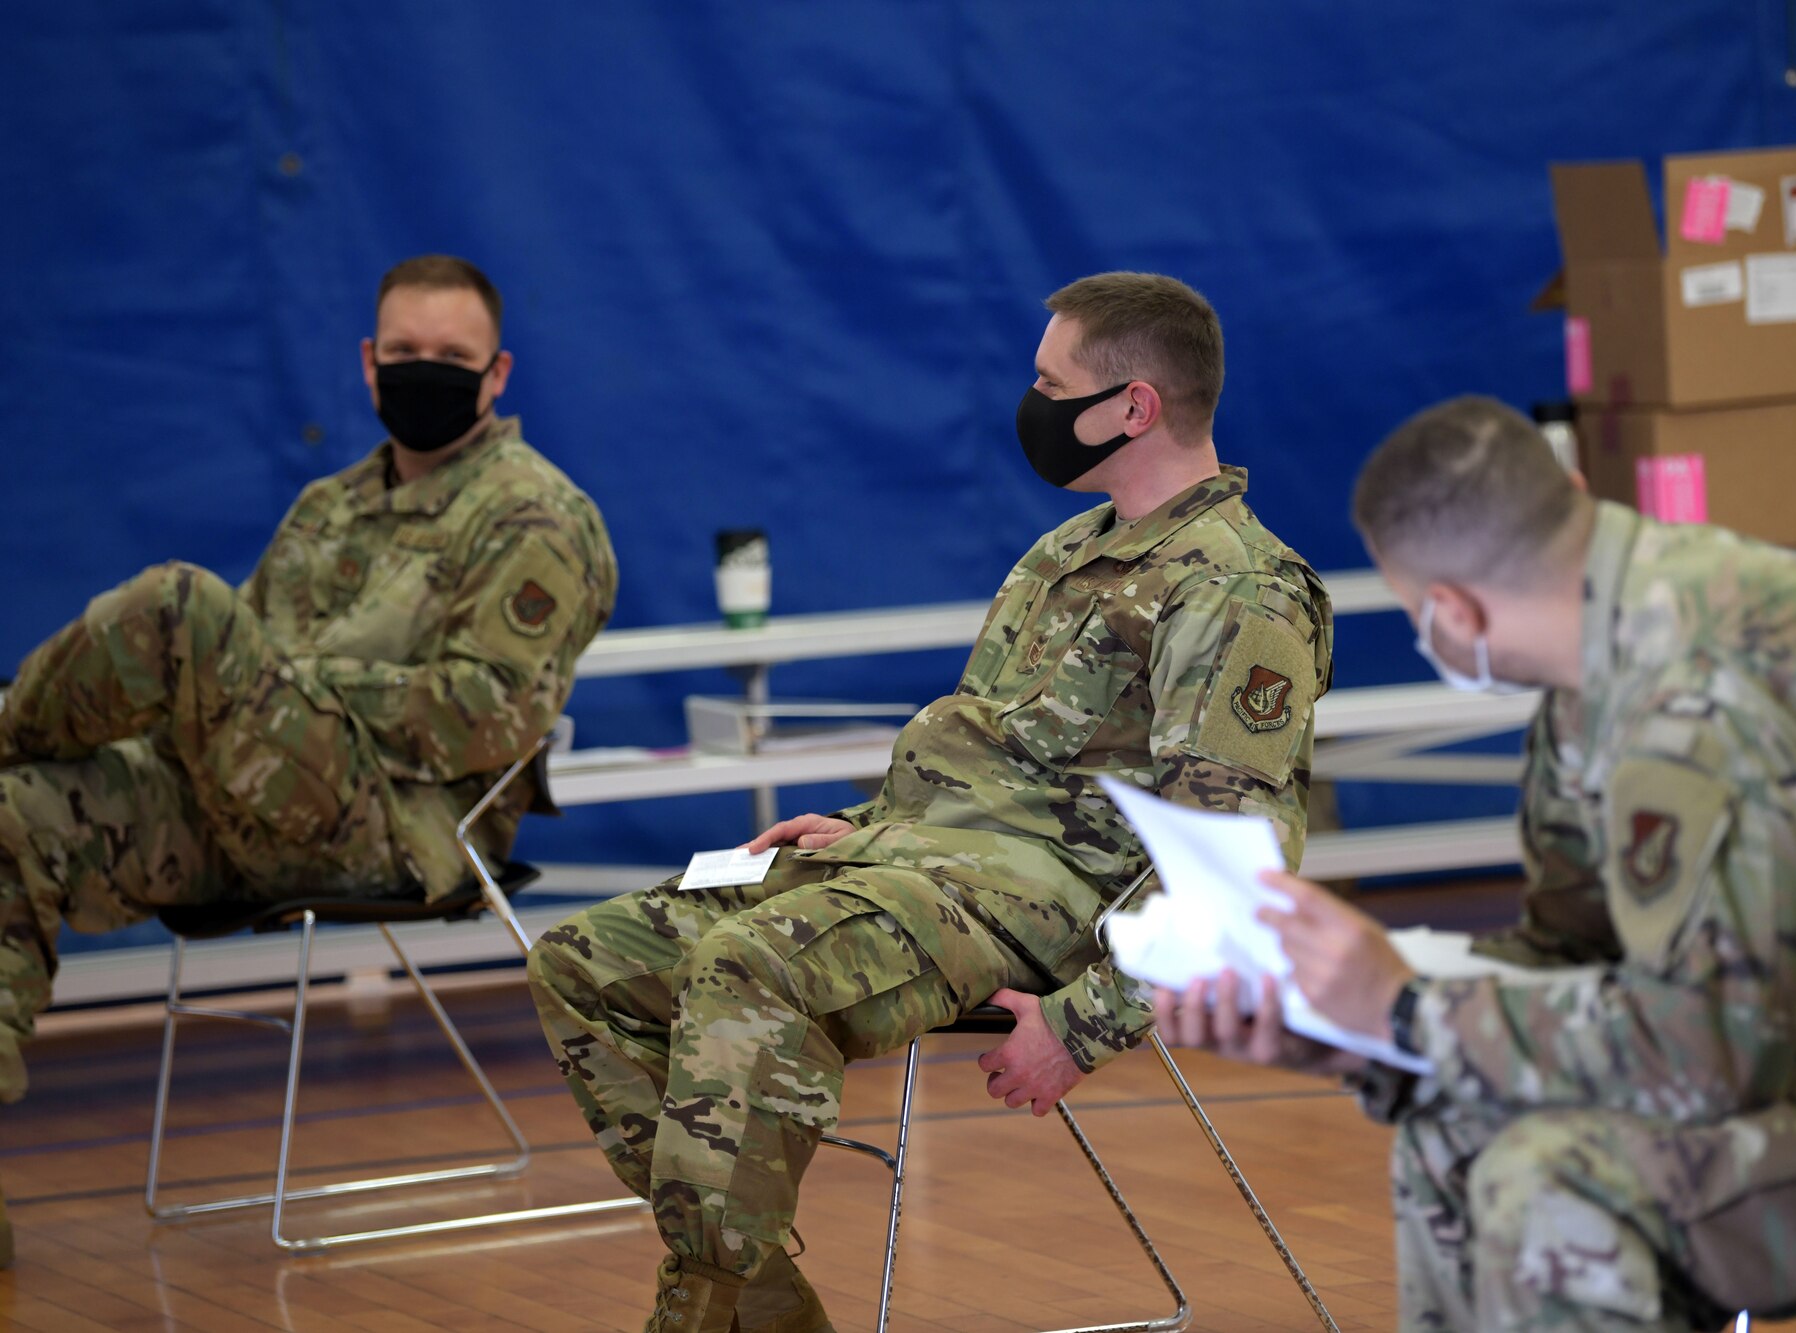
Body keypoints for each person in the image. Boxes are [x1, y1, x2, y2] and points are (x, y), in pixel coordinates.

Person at [528, 272, 1334, 1332]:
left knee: (746, 964)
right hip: (920, 868)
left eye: (1051, 381)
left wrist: (1083, 1025)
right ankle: (755, 1300)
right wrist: (864, 831)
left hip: (1038, 913)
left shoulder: (1237, 587)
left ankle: (708, 1313)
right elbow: (985, 757)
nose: (1030, 401)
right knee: (584, 960)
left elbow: (1237, 854)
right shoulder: (1064, 554)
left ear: (1131, 407)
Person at [1158, 395, 1796, 1331]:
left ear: (1452, 611)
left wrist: (1404, 1006)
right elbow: (1578, 959)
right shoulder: (1594, 665)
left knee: (1557, 1187)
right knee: (1451, 1125)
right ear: (1571, 490)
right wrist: (1348, 1034)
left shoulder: (1693, 698)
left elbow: (1711, 1054)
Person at [0, 255, 617, 1269]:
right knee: (15, 808)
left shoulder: (534, 515)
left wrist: (298, 685)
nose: (427, 372)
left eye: (451, 357)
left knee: (178, 605)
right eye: (406, 352)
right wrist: (256, 694)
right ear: (369, 364)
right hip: (244, 804)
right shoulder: (326, 507)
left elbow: (483, 716)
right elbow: (225, 688)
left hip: (395, 826)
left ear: (497, 373)